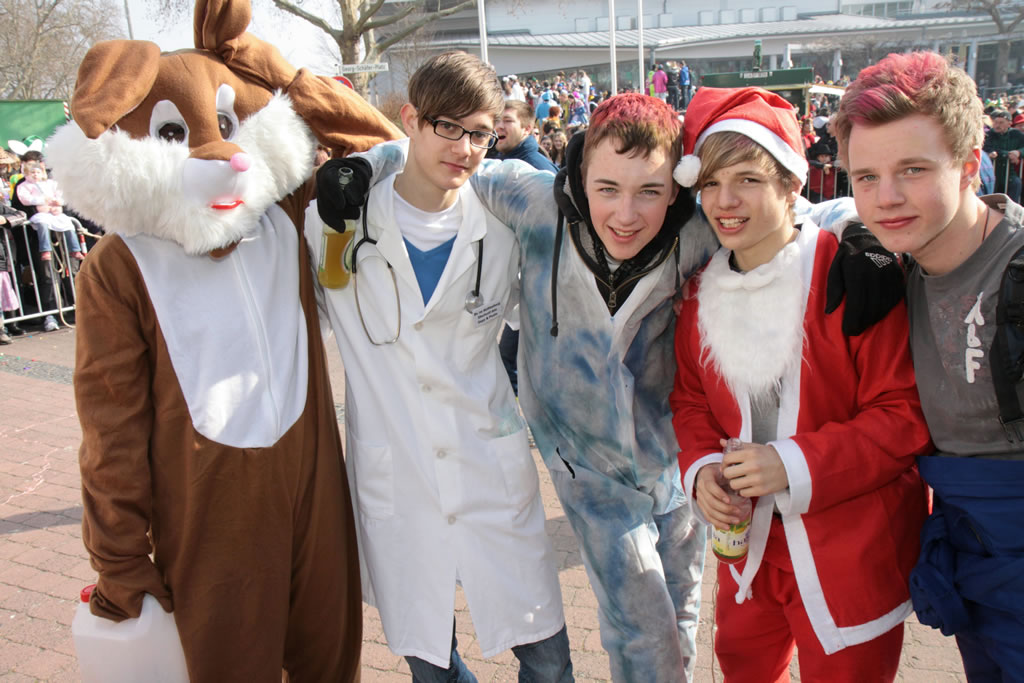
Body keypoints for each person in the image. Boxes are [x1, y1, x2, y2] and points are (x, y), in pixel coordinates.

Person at [320, 90, 895, 683]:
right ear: (579, 176)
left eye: (649, 191)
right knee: (641, 625)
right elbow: (439, 155)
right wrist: (365, 166)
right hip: (587, 467)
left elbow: (794, 211)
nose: (626, 214)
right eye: (607, 188)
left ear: (676, 188)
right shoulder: (534, 205)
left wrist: (859, 234)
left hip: (675, 460)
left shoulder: (697, 230)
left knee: (680, 612)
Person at [309, 51, 572, 682]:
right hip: (396, 470)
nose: (464, 148)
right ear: (410, 120)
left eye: (479, 133)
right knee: (431, 663)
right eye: (447, 126)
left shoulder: (503, 225)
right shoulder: (336, 223)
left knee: (549, 661)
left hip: (488, 462)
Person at [672, 85, 932, 683]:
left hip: (850, 551)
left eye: (747, 180)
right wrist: (702, 469)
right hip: (748, 552)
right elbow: (690, 400)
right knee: (742, 669)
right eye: (710, 183)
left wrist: (791, 464)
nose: (724, 202)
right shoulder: (699, 293)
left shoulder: (852, 277)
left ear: (792, 184)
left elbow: (903, 414)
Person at [832, 49, 1024, 682]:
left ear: (969, 165)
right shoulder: (897, 265)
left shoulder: (1017, 274)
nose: (886, 198)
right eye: (865, 177)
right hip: (971, 561)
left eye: (913, 170)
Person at [984, 109, 1024, 202]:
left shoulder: (1016, 134)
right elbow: (988, 148)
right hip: (992, 172)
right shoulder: (988, 135)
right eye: (995, 122)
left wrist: (1019, 153)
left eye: (1001, 122)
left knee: (1016, 183)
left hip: (1009, 173)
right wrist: (1008, 155)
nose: (997, 125)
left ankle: (1012, 209)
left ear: (1009, 124)